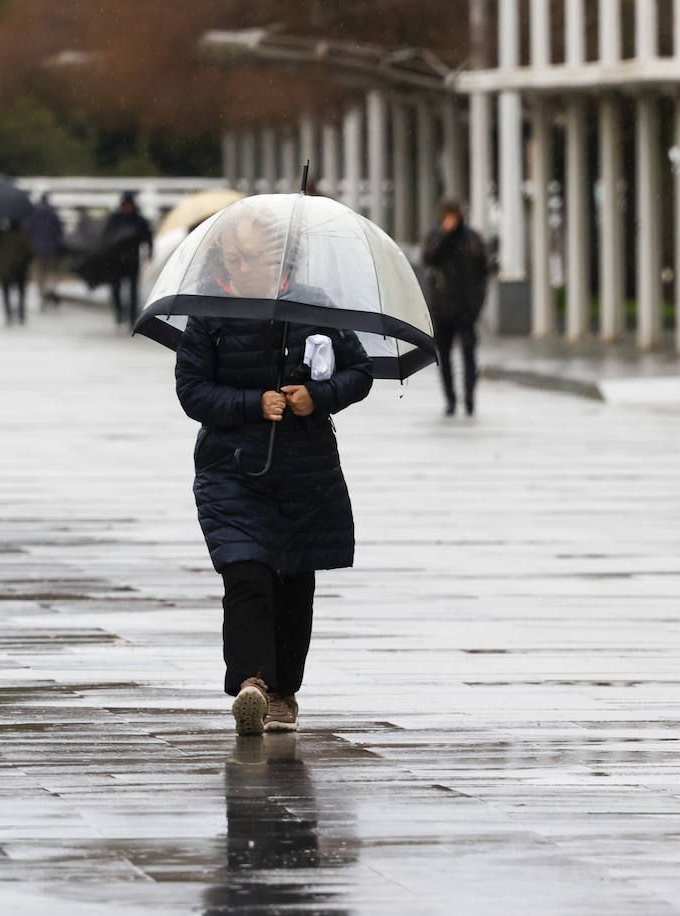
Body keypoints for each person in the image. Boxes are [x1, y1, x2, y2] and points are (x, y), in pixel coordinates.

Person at [174, 212, 373, 735]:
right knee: (245, 573)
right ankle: (252, 684)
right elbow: (192, 391)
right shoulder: (209, 312)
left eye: (252, 257)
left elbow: (360, 373)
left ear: (280, 261)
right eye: (233, 258)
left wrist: (317, 397)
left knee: (291, 583)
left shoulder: (314, 306)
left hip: (304, 475)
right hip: (231, 471)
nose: (241, 267)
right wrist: (250, 403)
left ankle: (284, 694)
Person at [421, 197, 489, 416]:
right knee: (445, 356)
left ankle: (469, 398)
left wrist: (477, 303)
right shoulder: (436, 236)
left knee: (469, 355)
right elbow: (429, 258)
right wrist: (445, 236)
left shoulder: (471, 238)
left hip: (466, 308)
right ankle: (450, 399)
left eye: (454, 216)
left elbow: (482, 272)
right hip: (442, 309)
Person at [103, 191, 153, 327]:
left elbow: (148, 237)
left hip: (132, 259)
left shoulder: (139, 220)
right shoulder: (115, 219)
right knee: (115, 288)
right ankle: (119, 312)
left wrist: (149, 252)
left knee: (133, 290)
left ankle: (132, 318)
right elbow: (106, 237)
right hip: (116, 259)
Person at [25, 193, 64, 308]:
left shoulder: (33, 214)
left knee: (41, 272)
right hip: (52, 248)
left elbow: (28, 229)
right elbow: (59, 231)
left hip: (37, 248)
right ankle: (50, 290)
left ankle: (42, 293)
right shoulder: (53, 214)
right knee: (51, 271)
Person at [0, 220, 33, 326]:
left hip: (5, 270)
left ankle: (8, 314)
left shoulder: (2, 235)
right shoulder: (24, 235)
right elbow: (30, 252)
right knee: (21, 293)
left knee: (6, 294)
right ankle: (21, 313)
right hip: (20, 269)